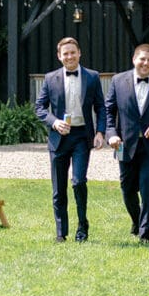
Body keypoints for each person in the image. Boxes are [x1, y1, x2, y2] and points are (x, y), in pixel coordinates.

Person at [34, 36, 106, 242]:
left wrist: (100, 132)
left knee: (79, 181)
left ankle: (82, 227)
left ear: (79, 53)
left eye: (73, 52)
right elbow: (39, 108)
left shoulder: (92, 77)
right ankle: (60, 232)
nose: (70, 56)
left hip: (82, 137)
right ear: (59, 56)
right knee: (59, 188)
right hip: (59, 139)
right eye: (65, 53)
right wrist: (54, 122)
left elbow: (100, 107)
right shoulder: (50, 78)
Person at [105, 43, 149, 243]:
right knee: (127, 189)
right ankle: (137, 221)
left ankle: (145, 234)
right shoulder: (118, 81)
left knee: (148, 190)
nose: (145, 63)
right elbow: (109, 110)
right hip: (122, 145)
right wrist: (111, 134)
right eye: (142, 59)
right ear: (134, 59)